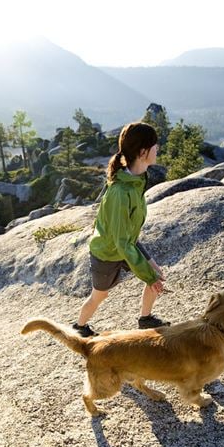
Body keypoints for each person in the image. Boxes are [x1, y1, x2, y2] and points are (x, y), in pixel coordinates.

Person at [73, 121, 170, 337]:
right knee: (100, 296)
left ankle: (145, 318)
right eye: (155, 145)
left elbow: (128, 235)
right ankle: (79, 327)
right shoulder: (120, 192)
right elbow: (120, 241)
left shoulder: (137, 180)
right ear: (143, 151)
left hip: (126, 243)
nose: (158, 149)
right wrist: (148, 277)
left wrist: (150, 269)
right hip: (108, 252)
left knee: (155, 273)